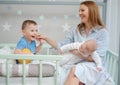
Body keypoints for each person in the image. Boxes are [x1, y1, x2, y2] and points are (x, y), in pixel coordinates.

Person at [38, 1, 113, 85]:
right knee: (74, 70)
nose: (79, 13)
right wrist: (46, 38)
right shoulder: (76, 30)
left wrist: (76, 52)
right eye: (79, 11)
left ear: (91, 11)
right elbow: (62, 46)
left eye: (82, 10)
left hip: (93, 65)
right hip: (77, 64)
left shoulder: (102, 32)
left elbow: (96, 57)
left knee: (75, 70)